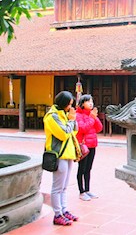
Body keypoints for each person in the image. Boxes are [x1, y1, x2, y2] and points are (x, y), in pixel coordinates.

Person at [43, 91, 80, 226]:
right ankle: (57, 214)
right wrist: (70, 121)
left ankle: (64, 210)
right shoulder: (52, 117)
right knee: (57, 187)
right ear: (63, 103)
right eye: (69, 104)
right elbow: (64, 134)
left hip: (68, 154)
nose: (70, 107)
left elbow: (74, 131)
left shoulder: (64, 115)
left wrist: (73, 120)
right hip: (58, 155)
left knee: (64, 187)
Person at [76, 94, 103, 201]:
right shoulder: (78, 115)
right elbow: (83, 128)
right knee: (81, 169)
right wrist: (92, 118)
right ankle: (81, 191)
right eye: (88, 101)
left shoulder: (91, 115)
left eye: (91, 101)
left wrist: (94, 117)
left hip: (92, 145)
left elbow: (99, 128)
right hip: (83, 146)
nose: (91, 103)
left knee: (88, 169)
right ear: (82, 104)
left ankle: (87, 190)